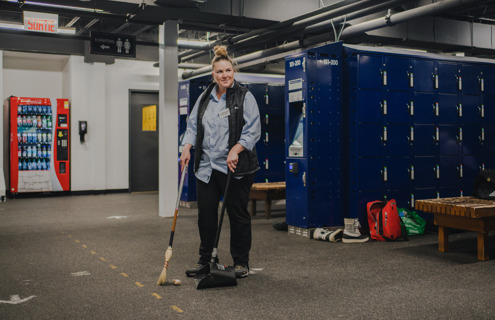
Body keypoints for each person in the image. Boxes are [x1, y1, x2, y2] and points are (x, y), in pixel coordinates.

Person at [180, 46, 261, 279]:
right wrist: (187, 147)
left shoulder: (244, 96)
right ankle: (206, 260)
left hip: (234, 167)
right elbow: (193, 125)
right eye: (220, 72)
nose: (225, 75)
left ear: (233, 71)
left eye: (228, 70)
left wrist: (236, 148)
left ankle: (241, 262)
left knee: (237, 214)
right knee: (205, 215)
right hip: (207, 167)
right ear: (212, 75)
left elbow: (253, 129)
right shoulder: (205, 97)